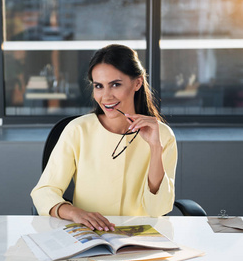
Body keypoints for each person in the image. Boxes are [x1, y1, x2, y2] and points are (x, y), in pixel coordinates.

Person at [31, 44, 177, 232]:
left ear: (137, 83)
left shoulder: (162, 135)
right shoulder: (78, 130)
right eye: (98, 86)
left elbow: (158, 209)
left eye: (115, 84)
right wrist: (75, 213)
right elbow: (44, 192)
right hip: (89, 236)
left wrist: (155, 147)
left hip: (139, 238)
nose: (106, 96)